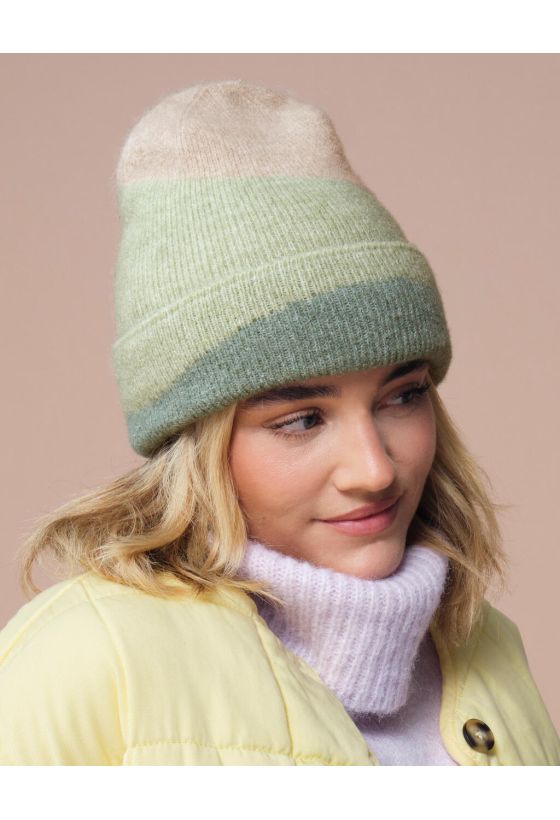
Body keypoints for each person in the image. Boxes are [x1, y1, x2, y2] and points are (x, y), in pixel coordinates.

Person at [0, 78, 558, 766]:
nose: (375, 470)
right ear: (196, 444)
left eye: (403, 396)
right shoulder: (83, 663)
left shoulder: (488, 650)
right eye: (301, 420)